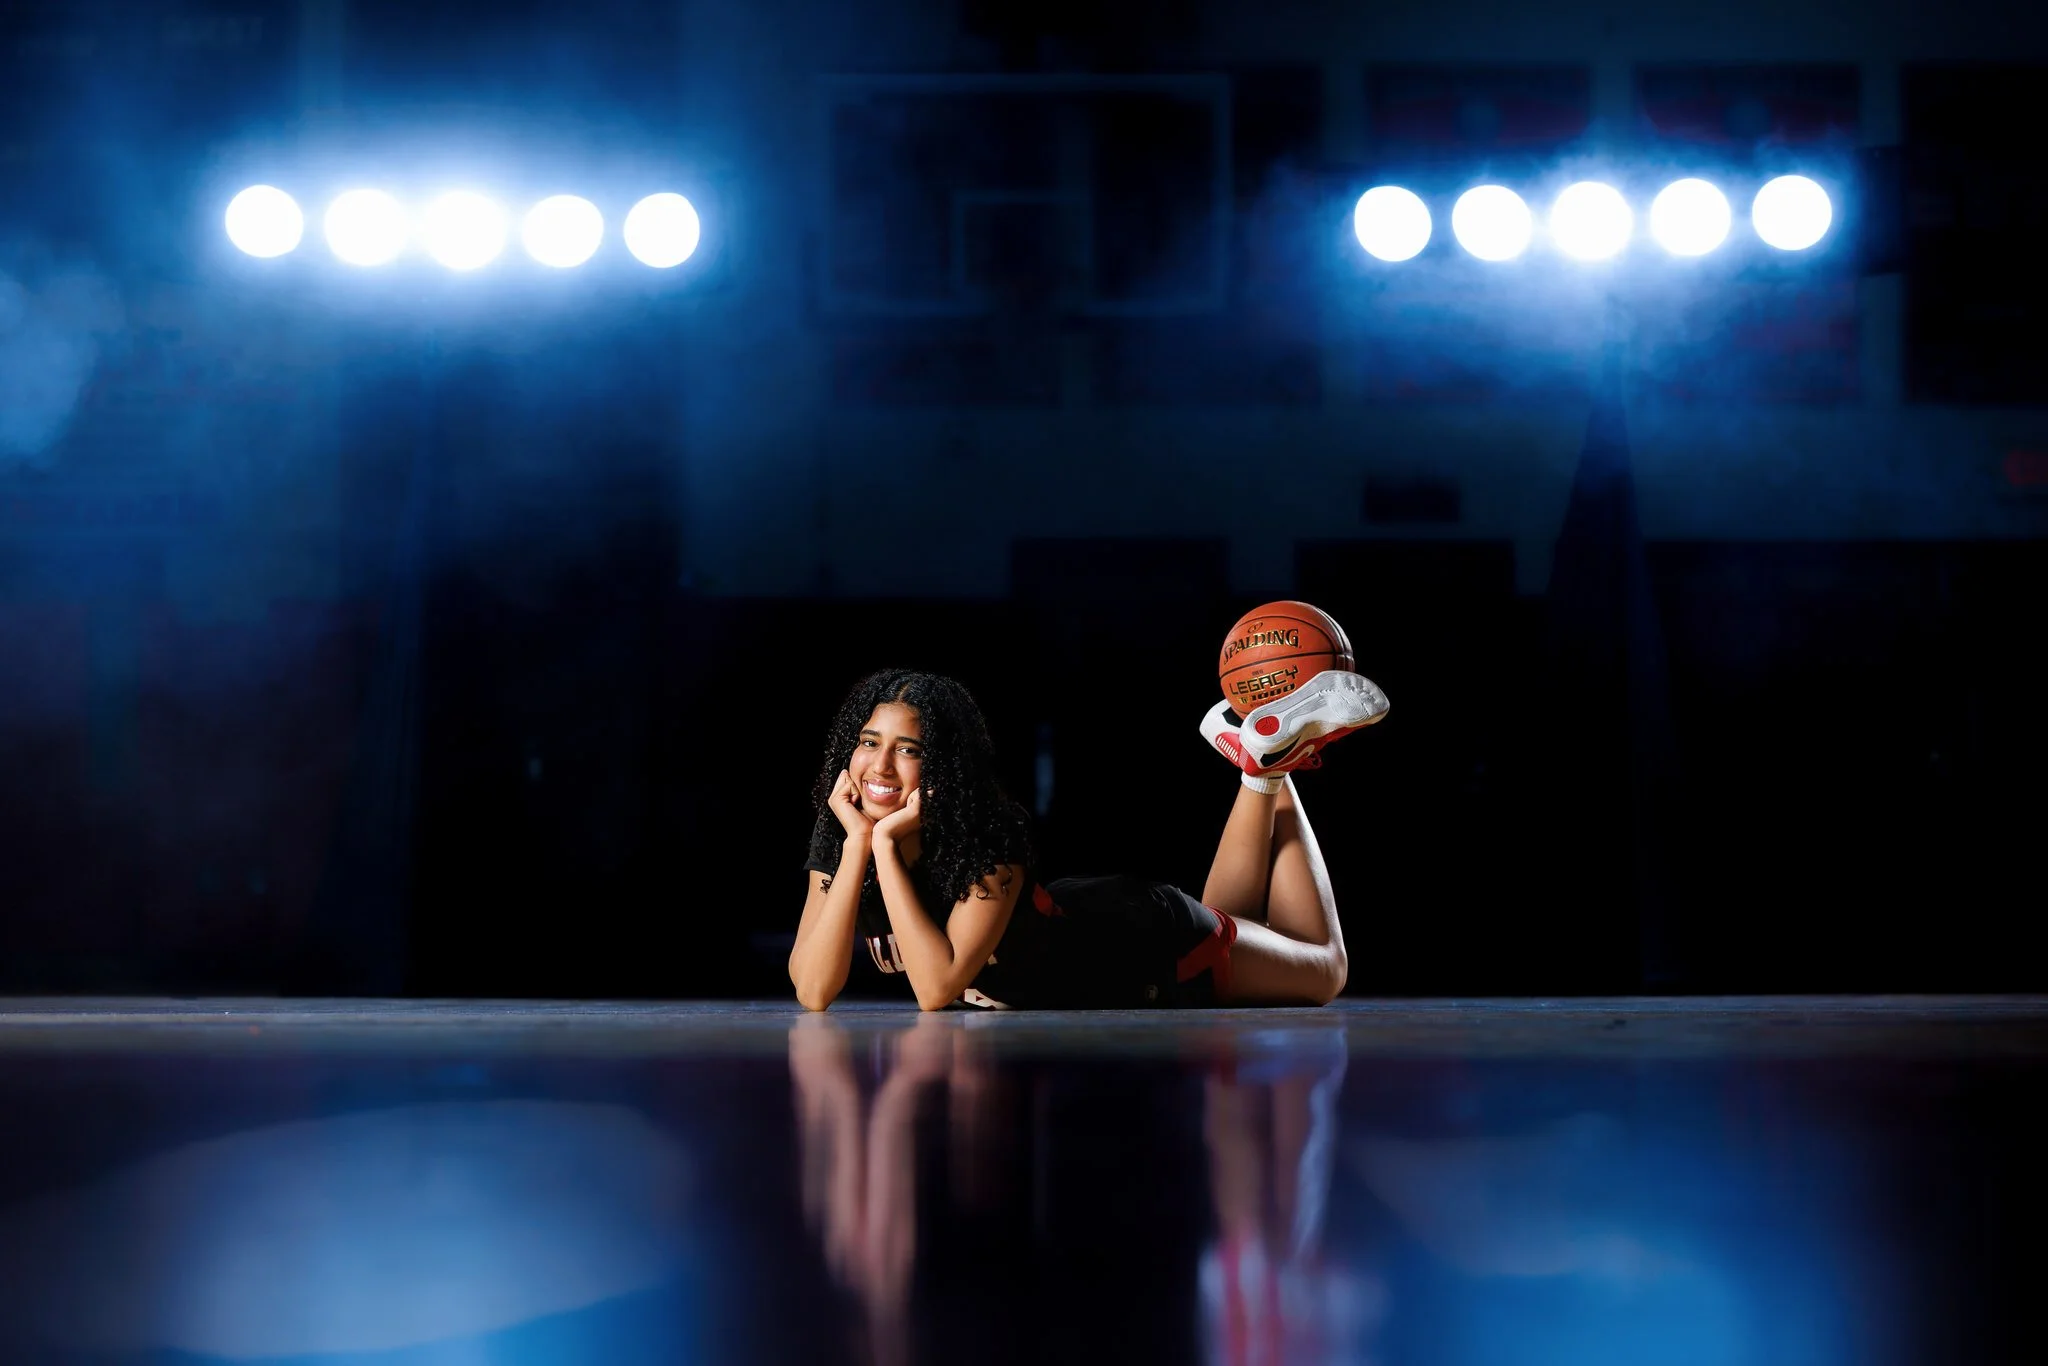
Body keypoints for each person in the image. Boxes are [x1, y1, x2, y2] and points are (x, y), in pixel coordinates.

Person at [789, 665, 1387, 1011]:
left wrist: (885, 848)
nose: (880, 766)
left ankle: (1271, 761)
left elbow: (936, 988)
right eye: (869, 742)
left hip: (1143, 946)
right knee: (1233, 917)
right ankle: (1263, 764)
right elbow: (814, 989)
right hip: (1092, 914)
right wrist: (859, 848)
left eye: (908, 749)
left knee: (1325, 969)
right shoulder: (845, 831)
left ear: (942, 765)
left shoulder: (990, 835)